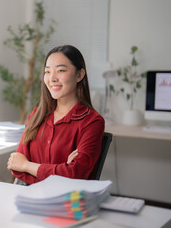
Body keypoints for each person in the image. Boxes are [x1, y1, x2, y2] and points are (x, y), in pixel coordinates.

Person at [7, 45, 105, 185]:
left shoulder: (92, 122)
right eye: (47, 71)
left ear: (79, 75)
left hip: (67, 202)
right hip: (30, 199)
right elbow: (16, 166)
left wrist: (27, 166)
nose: (52, 78)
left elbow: (75, 174)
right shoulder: (37, 115)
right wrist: (61, 170)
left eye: (61, 70)